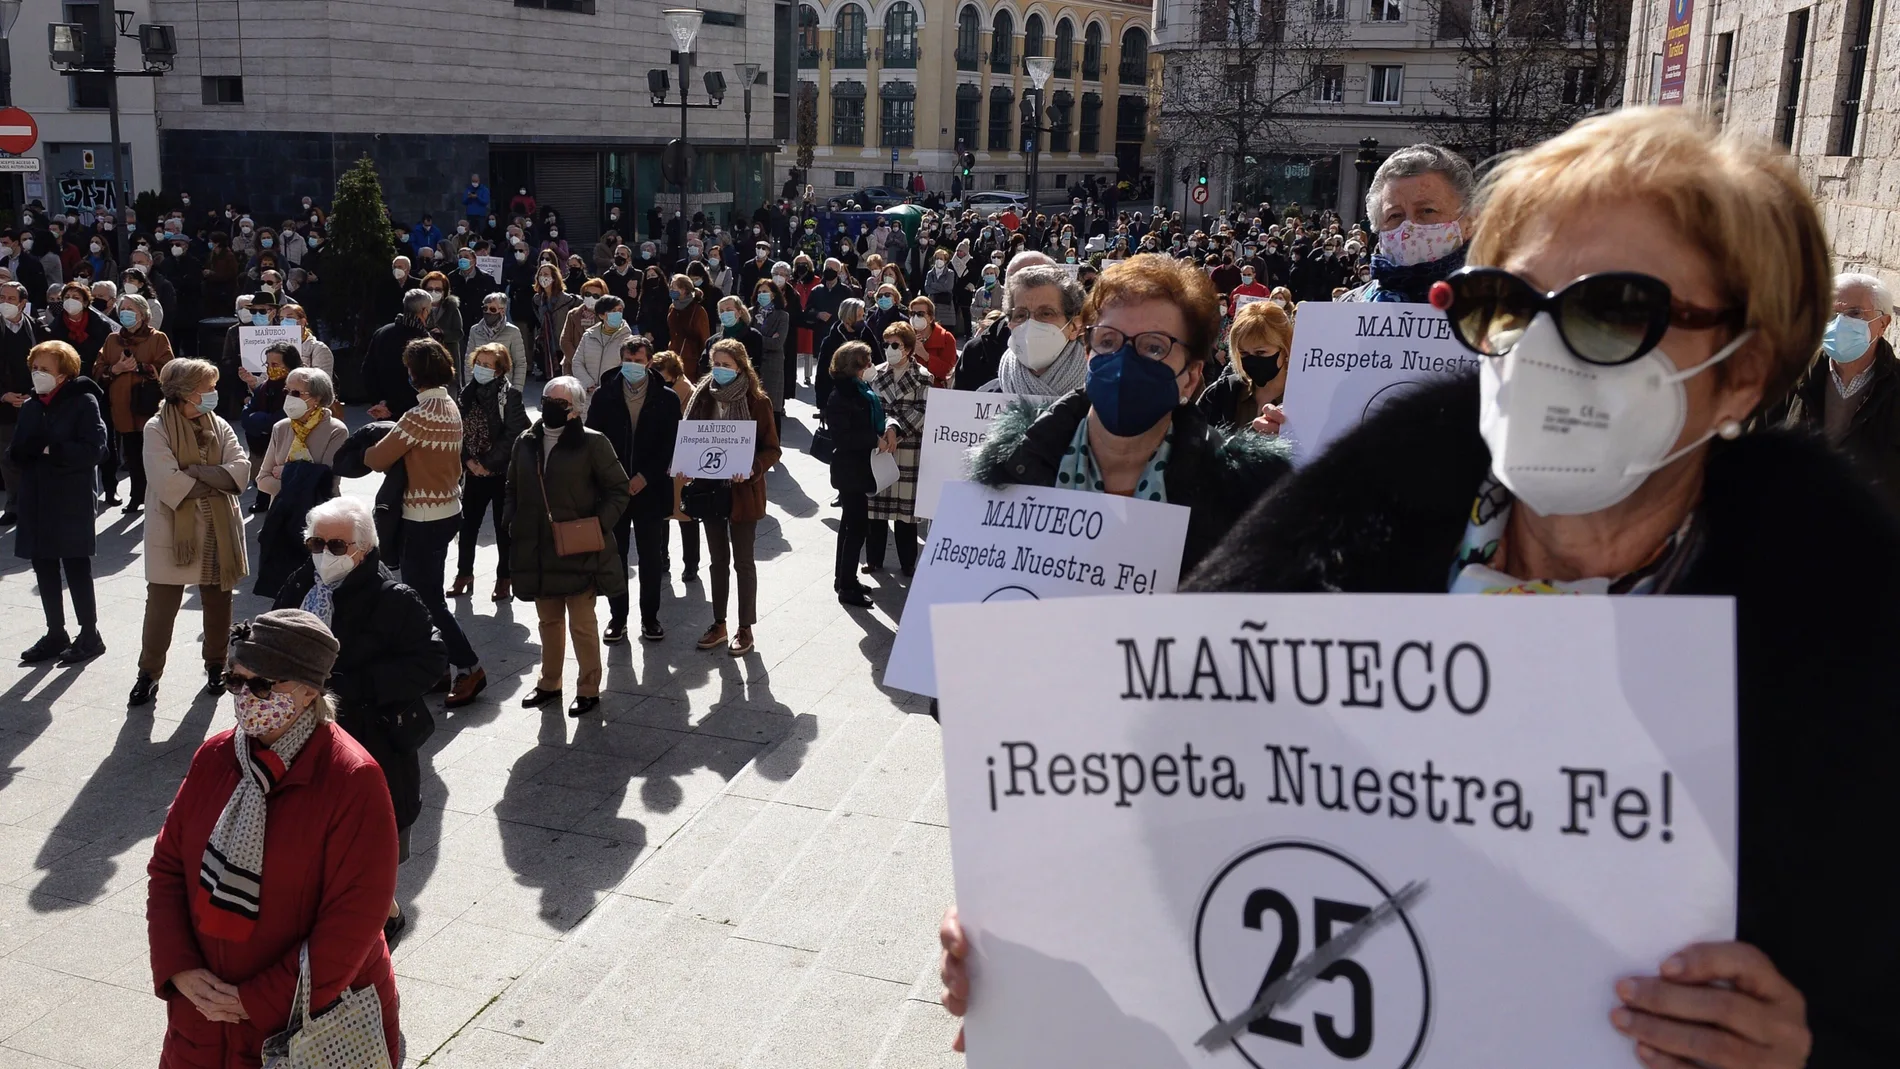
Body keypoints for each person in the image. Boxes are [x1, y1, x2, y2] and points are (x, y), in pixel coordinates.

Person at [980, 107, 1894, 1066]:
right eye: (1509, 304)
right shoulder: (1358, 523)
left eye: (1614, 310)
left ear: (1743, 369)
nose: (1543, 351)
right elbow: (1172, 809)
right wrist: (1043, 969)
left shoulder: (1839, 639)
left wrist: (1807, 1047)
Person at [145, 609, 402, 1066]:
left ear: (309, 691)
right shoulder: (215, 756)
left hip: (308, 1025)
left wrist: (257, 1000)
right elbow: (167, 866)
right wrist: (179, 966)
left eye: (262, 685)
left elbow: (355, 919)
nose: (246, 697)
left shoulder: (352, 779)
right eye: (235, 681)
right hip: (202, 1024)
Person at [969, 254, 1291, 572]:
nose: (1123, 363)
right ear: (1087, 353)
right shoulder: (1011, 464)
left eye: (1154, 347)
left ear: (1191, 377)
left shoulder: (1235, 497)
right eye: (1108, 341)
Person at [274, 498, 446, 945]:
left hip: (372, 738)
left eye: (336, 545)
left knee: (366, 836)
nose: (323, 554)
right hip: (302, 735)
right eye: (316, 543)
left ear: (364, 550)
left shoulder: (395, 599)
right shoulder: (300, 586)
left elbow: (431, 660)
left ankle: (380, 914)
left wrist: (354, 687)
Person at [366, 338, 489, 708]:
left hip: (422, 516)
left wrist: (377, 436)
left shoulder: (418, 415)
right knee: (427, 595)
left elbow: (375, 458)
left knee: (428, 600)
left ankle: (470, 667)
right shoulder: (447, 404)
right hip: (448, 509)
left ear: (414, 373)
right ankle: (440, 670)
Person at [507, 375, 630, 717]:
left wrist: (596, 526)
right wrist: (510, 520)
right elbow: (512, 488)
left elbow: (618, 489)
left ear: (576, 411)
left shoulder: (593, 443)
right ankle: (549, 682)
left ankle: (589, 687)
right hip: (538, 550)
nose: (550, 407)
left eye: (560, 403)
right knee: (548, 622)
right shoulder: (525, 442)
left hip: (578, 547)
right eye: (547, 399)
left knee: (582, 624)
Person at [131, 358, 251, 706]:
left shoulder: (219, 423)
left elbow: (240, 471)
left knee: (218, 601)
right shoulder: (157, 428)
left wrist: (195, 471)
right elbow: (167, 479)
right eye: (208, 388)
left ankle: (216, 666)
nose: (214, 393)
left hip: (218, 528)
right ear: (186, 394)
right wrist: (214, 477)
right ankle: (148, 673)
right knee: (161, 606)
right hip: (172, 528)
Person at [11, 340, 108, 663]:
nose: (38, 374)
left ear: (64, 373)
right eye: (35, 368)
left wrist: (52, 450)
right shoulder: (31, 406)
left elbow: (95, 449)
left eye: (45, 369)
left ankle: (89, 633)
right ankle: (56, 632)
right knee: (43, 564)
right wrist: (22, 452)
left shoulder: (83, 401)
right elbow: (18, 450)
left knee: (76, 565)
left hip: (70, 498)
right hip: (36, 497)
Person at [682, 338, 781, 655]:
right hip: (709, 490)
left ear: (741, 367)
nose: (720, 370)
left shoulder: (757, 401)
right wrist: (684, 462)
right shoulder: (702, 397)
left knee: (743, 562)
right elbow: (690, 437)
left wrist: (752, 467)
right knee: (717, 561)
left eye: (726, 365)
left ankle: (745, 627)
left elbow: (772, 449)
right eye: (716, 364)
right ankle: (719, 623)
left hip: (743, 492)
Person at [1771, 272, 1900, 513]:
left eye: (1854, 313)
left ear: (1883, 324)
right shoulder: (1793, 375)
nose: (1840, 323)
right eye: (1831, 314)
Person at [587, 337, 681, 643]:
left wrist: (645, 476)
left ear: (649, 362)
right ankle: (618, 617)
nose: (633, 366)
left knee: (650, 557)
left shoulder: (666, 398)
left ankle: (650, 617)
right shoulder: (605, 395)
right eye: (628, 361)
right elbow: (594, 439)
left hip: (650, 490)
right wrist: (615, 478)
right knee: (616, 557)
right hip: (614, 490)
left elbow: (671, 444)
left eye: (638, 361)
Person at [253, 368, 346, 599]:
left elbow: (326, 485)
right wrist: (300, 478)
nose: (289, 397)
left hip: (320, 524)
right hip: (282, 523)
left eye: (296, 392)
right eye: (288, 390)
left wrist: (286, 474)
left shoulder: (335, 430)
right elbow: (262, 480)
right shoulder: (281, 428)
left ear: (317, 398)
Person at [1345, 143, 1473, 303]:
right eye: (1395, 215)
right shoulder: (1348, 309)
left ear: (1469, 222)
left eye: (1427, 211)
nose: (1408, 228)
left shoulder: (1501, 312)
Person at [450, 342, 529, 601]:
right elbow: (456, 431)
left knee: (502, 527)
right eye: (479, 364)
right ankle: (464, 574)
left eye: (488, 365)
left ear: (500, 369)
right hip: (473, 473)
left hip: (501, 473)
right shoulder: (465, 394)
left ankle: (504, 578)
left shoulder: (511, 396)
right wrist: (469, 462)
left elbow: (513, 434)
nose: (481, 369)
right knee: (468, 525)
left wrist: (488, 463)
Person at [820, 341, 894, 607]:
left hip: (861, 468)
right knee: (856, 528)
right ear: (855, 365)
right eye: (867, 361)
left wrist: (885, 430)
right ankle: (847, 586)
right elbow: (843, 435)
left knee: (850, 526)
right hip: (850, 470)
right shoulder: (841, 395)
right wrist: (875, 440)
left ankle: (844, 578)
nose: (871, 365)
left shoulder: (861, 389)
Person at [94, 291, 173, 513]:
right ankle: (136, 495)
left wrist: (140, 367)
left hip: (148, 405)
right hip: (121, 405)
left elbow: (168, 367)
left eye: (131, 309)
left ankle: (156, 495)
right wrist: (115, 369)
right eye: (123, 309)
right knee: (131, 453)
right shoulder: (112, 339)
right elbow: (98, 368)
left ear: (143, 314)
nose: (126, 313)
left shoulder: (158, 338)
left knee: (152, 452)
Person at [865, 322, 931, 575]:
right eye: (887, 344)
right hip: (881, 446)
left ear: (908, 349)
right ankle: (874, 559)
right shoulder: (876, 374)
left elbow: (922, 410)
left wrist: (897, 430)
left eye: (896, 345)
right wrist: (883, 431)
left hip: (908, 447)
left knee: (906, 513)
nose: (890, 349)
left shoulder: (923, 376)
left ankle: (907, 563)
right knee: (876, 509)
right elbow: (871, 408)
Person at [978, 265, 1089, 398]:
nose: (1030, 324)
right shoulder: (985, 398)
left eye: (1046, 314)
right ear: (1010, 324)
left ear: (1075, 327)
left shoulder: (1102, 404)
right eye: (1020, 315)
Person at [1198, 299, 1291, 435]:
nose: (1252, 360)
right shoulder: (1221, 392)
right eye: (1244, 353)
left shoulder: (1304, 398)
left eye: (1260, 352)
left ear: (1284, 348)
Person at [238, 341, 301, 511]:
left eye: (275, 364)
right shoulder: (264, 388)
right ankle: (263, 499)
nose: (270, 369)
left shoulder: (297, 389)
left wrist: (259, 420)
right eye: (268, 364)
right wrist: (261, 421)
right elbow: (246, 416)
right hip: (262, 444)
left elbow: (280, 419)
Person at [0, 282, 39, 525]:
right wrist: (3, 394)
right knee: (7, 456)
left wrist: (35, 394)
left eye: (11, 298)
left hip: (33, 401)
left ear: (23, 303)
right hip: (4, 404)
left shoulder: (37, 328)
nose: (5, 302)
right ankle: (13, 504)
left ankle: (34, 502)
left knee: (34, 455)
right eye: (2, 297)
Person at [364, 290, 431, 421]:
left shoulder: (381, 333)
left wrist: (380, 402)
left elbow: (368, 370)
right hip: (416, 413)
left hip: (384, 411)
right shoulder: (424, 340)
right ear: (424, 311)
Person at [815, 297, 873, 414]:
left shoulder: (866, 333)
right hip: (839, 398)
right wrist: (822, 404)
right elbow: (822, 374)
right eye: (859, 316)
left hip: (865, 393)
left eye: (863, 315)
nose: (862, 320)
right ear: (849, 317)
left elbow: (879, 359)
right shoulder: (831, 341)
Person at [467, 290, 528, 391]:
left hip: (504, 389)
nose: (488, 312)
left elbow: (520, 363)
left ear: (502, 311)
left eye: (492, 309)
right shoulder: (475, 330)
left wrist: (517, 390)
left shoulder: (513, 332)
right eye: (485, 308)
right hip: (479, 388)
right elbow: (468, 361)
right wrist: (470, 387)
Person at [572, 294, 634, 393]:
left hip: (614, 395)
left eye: (620, 310)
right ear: (601, 315)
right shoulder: (588, 336)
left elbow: (628, 368)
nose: (618, 314)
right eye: (613, 311)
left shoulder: (628, 340)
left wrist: (607, 387)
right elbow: (577, 362)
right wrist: (588, 383)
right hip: (588, 395)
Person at [752, 279, 791, 426]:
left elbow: (777, 343)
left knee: (771, 411)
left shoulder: (782, 316)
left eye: (765, 292)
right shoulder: (751, 313)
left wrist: (756, 339)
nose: (761, 295)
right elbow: (746, 339)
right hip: (754, 364)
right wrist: (766, 338)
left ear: (773, 295)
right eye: (759, 292)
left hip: (773, 368)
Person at [532, 262, 581, 381]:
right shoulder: (537, 299)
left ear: (554, 277)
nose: (543, 277)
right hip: (546, 341)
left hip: (561, 341)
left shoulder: (567, 300)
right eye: (541, 274)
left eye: (546, 274)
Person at [667, 273, 712, 379]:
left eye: (673, 287)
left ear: (683, 290)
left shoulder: (698, 311)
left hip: (691, 361)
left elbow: (705, 339)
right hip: (673, 356)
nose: (671, 290)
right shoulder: (672, 307)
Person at [909, 296, 957, 386]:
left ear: (931, 318)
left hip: (934, 390)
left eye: (920, 314)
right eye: (912, 313)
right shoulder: (906, 336)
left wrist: (925, 355)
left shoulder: (946, 338)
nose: (915, 317)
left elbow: (948, 373)